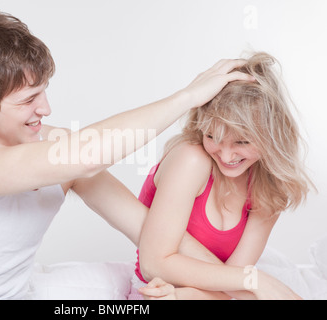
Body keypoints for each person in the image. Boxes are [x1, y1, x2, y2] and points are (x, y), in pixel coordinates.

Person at [0, 9, 253, 299]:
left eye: (43, 92)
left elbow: (146, 229)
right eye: (28, 100)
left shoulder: (57, 149)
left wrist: (242, 286)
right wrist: (187, 97)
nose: (46, 109)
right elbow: (87, 156)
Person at [131, 52, 315, 300]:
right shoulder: (191, 160)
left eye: (242, 142)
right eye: (213, 137)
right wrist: (255, 280)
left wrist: (185, 297)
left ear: (271, 137)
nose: (227, 156)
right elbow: (154, 264)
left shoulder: (269, 187)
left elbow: (230, 286)